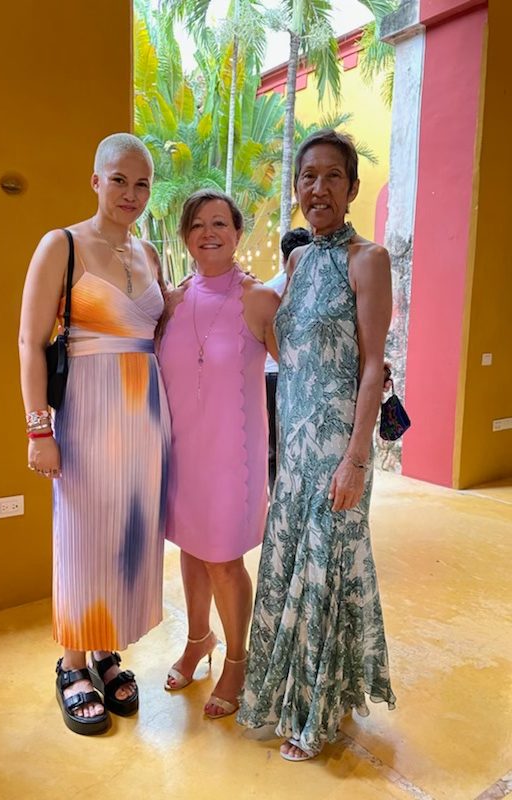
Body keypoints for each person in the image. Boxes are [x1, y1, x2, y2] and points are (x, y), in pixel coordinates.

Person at [237, 129, 396, 760]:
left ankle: (314, 713)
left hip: (338, 450)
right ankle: (295, 697)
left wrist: (357, 458)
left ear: (352, 188)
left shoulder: (369, 259)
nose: (319, 188)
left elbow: (374, 365)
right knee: (293, 569)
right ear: (297, 188)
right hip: (295, 449)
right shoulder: (299, 262)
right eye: (308, 177)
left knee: (326, 573)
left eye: (333, 176)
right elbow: (286, 347)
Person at [18, 133, 170, 735]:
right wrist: (39, 428)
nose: (131, 193)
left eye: (142, 183)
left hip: (146, 418)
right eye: (119, 180)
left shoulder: (150, 252)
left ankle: (106, 647)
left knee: (128, 533)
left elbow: (166, 328)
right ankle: (73, 663)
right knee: (83, 535)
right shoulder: (62, 245)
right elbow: (30, 341)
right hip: (87, 413)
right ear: (96, 181)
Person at [157, 189, 281, 719]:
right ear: (186, 236)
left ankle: (237, 659)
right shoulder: (172, 301)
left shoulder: (259, 300)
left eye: (220, 223)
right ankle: (198, 639)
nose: (208, 233)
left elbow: (303, 368)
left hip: (234, 458)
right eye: (197, 224)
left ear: (237, 233)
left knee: (224, 560)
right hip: (184, 454)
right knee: (191, 549)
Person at [264, 228, 313, 489]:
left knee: (274, 446)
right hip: (293, 375)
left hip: (272, 376)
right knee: (291, 443)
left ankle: (278, 495)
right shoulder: (311, 289)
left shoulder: (268, 289)